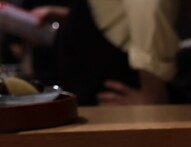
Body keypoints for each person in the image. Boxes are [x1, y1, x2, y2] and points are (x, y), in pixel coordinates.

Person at [30, 0, 180, 105]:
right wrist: (72, 18)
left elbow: (150, 7)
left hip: (116, 97)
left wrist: (151, 95)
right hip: (90, 92)